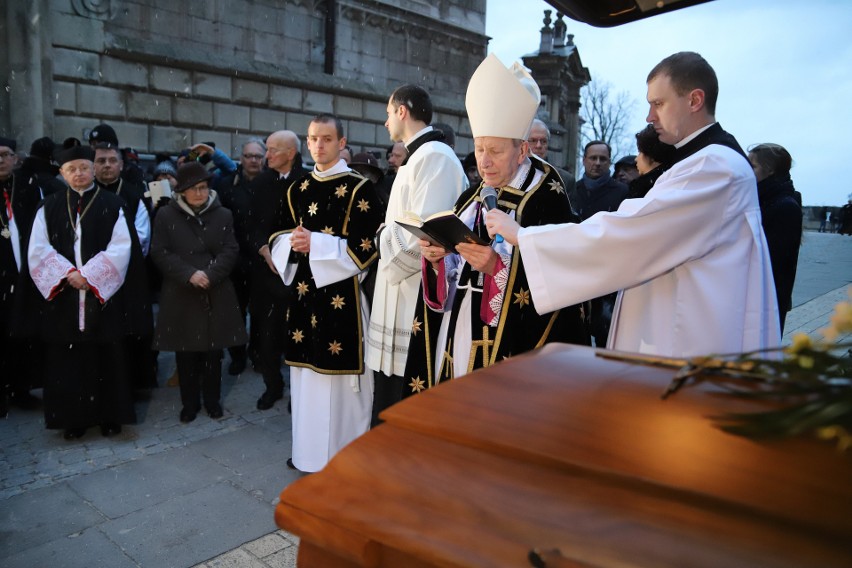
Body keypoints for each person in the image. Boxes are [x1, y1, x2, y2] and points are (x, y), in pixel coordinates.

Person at [486, 51, 780, 357]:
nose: (650, 117)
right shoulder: (700, 162)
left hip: (692, 343)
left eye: (658, 103)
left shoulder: (715, 167)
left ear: (694, 101)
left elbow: (633, 231)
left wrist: (524, 236)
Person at [404, 53, 588, 392]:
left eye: (496, 151)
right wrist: (438, 257)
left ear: (521, 152)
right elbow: (454, 262)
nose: (484, 162)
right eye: (478, 149)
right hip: (461, 326)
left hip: (514, 342)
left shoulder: (547, 196)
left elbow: (566, 272)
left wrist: (497, 268)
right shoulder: (472, 197)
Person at [268, 114, 383, 472]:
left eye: (327, 139)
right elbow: (276, 236)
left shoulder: (359, 189)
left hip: (343, 301)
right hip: (304, 297)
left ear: (342, 143)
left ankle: (342, 459)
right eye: (314, 138)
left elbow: (367, 248)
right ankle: (308, 454)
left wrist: (315, 242)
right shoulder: (296, 188)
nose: (319, 145)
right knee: (306, 381)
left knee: (341, 386)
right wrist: (291, 243)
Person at [365, 84, 467, 425]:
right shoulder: (417, 157)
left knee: (405, 395)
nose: (386, 122)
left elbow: (424, 235)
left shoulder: (435, 157)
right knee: (388, 394)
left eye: (387, 113)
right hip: (398, 292)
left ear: (402, 111)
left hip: (416, 297)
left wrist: (381, 238)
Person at [28, 145, 136, 439]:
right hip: (64, 296)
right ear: (62, 173)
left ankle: (109, 416)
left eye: (84, 168)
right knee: (67, 360)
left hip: (102, 296)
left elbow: (121, 246)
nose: (79, 173)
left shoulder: (113, 204)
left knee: (106, 356)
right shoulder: (48, 206)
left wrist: (90, 276)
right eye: (71, 169)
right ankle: (72, 419)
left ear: (92, 169)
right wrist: (69, 275)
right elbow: (38, 249)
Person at [150, 162, 247, 423]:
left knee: (213, 352)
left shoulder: (223, 214)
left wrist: (210, 274)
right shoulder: (166, 215)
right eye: (193, 189)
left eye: (203, 188)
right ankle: (189, 404)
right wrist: (189, 274)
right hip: (181, 290)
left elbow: (230, 250)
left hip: (215, 290)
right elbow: (159, 251)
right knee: (186, 353)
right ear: (181, 191)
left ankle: (212, 401)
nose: (199, 193)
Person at [250, 130, 310, 410]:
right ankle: (272, 387)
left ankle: (299, 393)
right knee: (267, 336)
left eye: (274, 150)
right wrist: (262, 247)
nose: (267, 155)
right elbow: (250, 224)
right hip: (267, 273)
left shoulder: (308, 182)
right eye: (267, 149)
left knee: (299, 336)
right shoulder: (260, 182)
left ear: (291, 153)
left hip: (300, 275)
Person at [214, 139, 267, 375]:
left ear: (264, 158)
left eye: (257, 156)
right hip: (234, 261)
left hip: (262, 260)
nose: (253, 160)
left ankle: (257, 353)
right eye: (248, 156)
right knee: (234, 312)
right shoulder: (227, 185)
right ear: (241, 159)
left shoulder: (272, 184)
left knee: (259, 312)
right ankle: (237, 356)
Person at [1, 136, 44, 414]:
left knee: (22, 332)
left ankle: (20, 389)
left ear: (16, 159)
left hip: (23, 273)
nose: (1, 160)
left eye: (6, 154)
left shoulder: (28, 188)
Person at [748, 143, 803, 333]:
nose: (747, 171)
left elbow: (773, 263)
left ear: (769, 170)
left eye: (752, 166)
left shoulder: (784, 205)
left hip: (765, 302)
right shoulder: (766, 198)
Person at [625, 125, 676, 199]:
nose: (636, 159)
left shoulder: (650, 189)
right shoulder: (671, 179)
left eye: (640, 152)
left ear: (651, 155)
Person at [527, 118, 572, 187]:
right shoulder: (511, 174)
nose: (538, 145)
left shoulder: (564, 179)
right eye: (533, 140)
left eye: (543, 141)